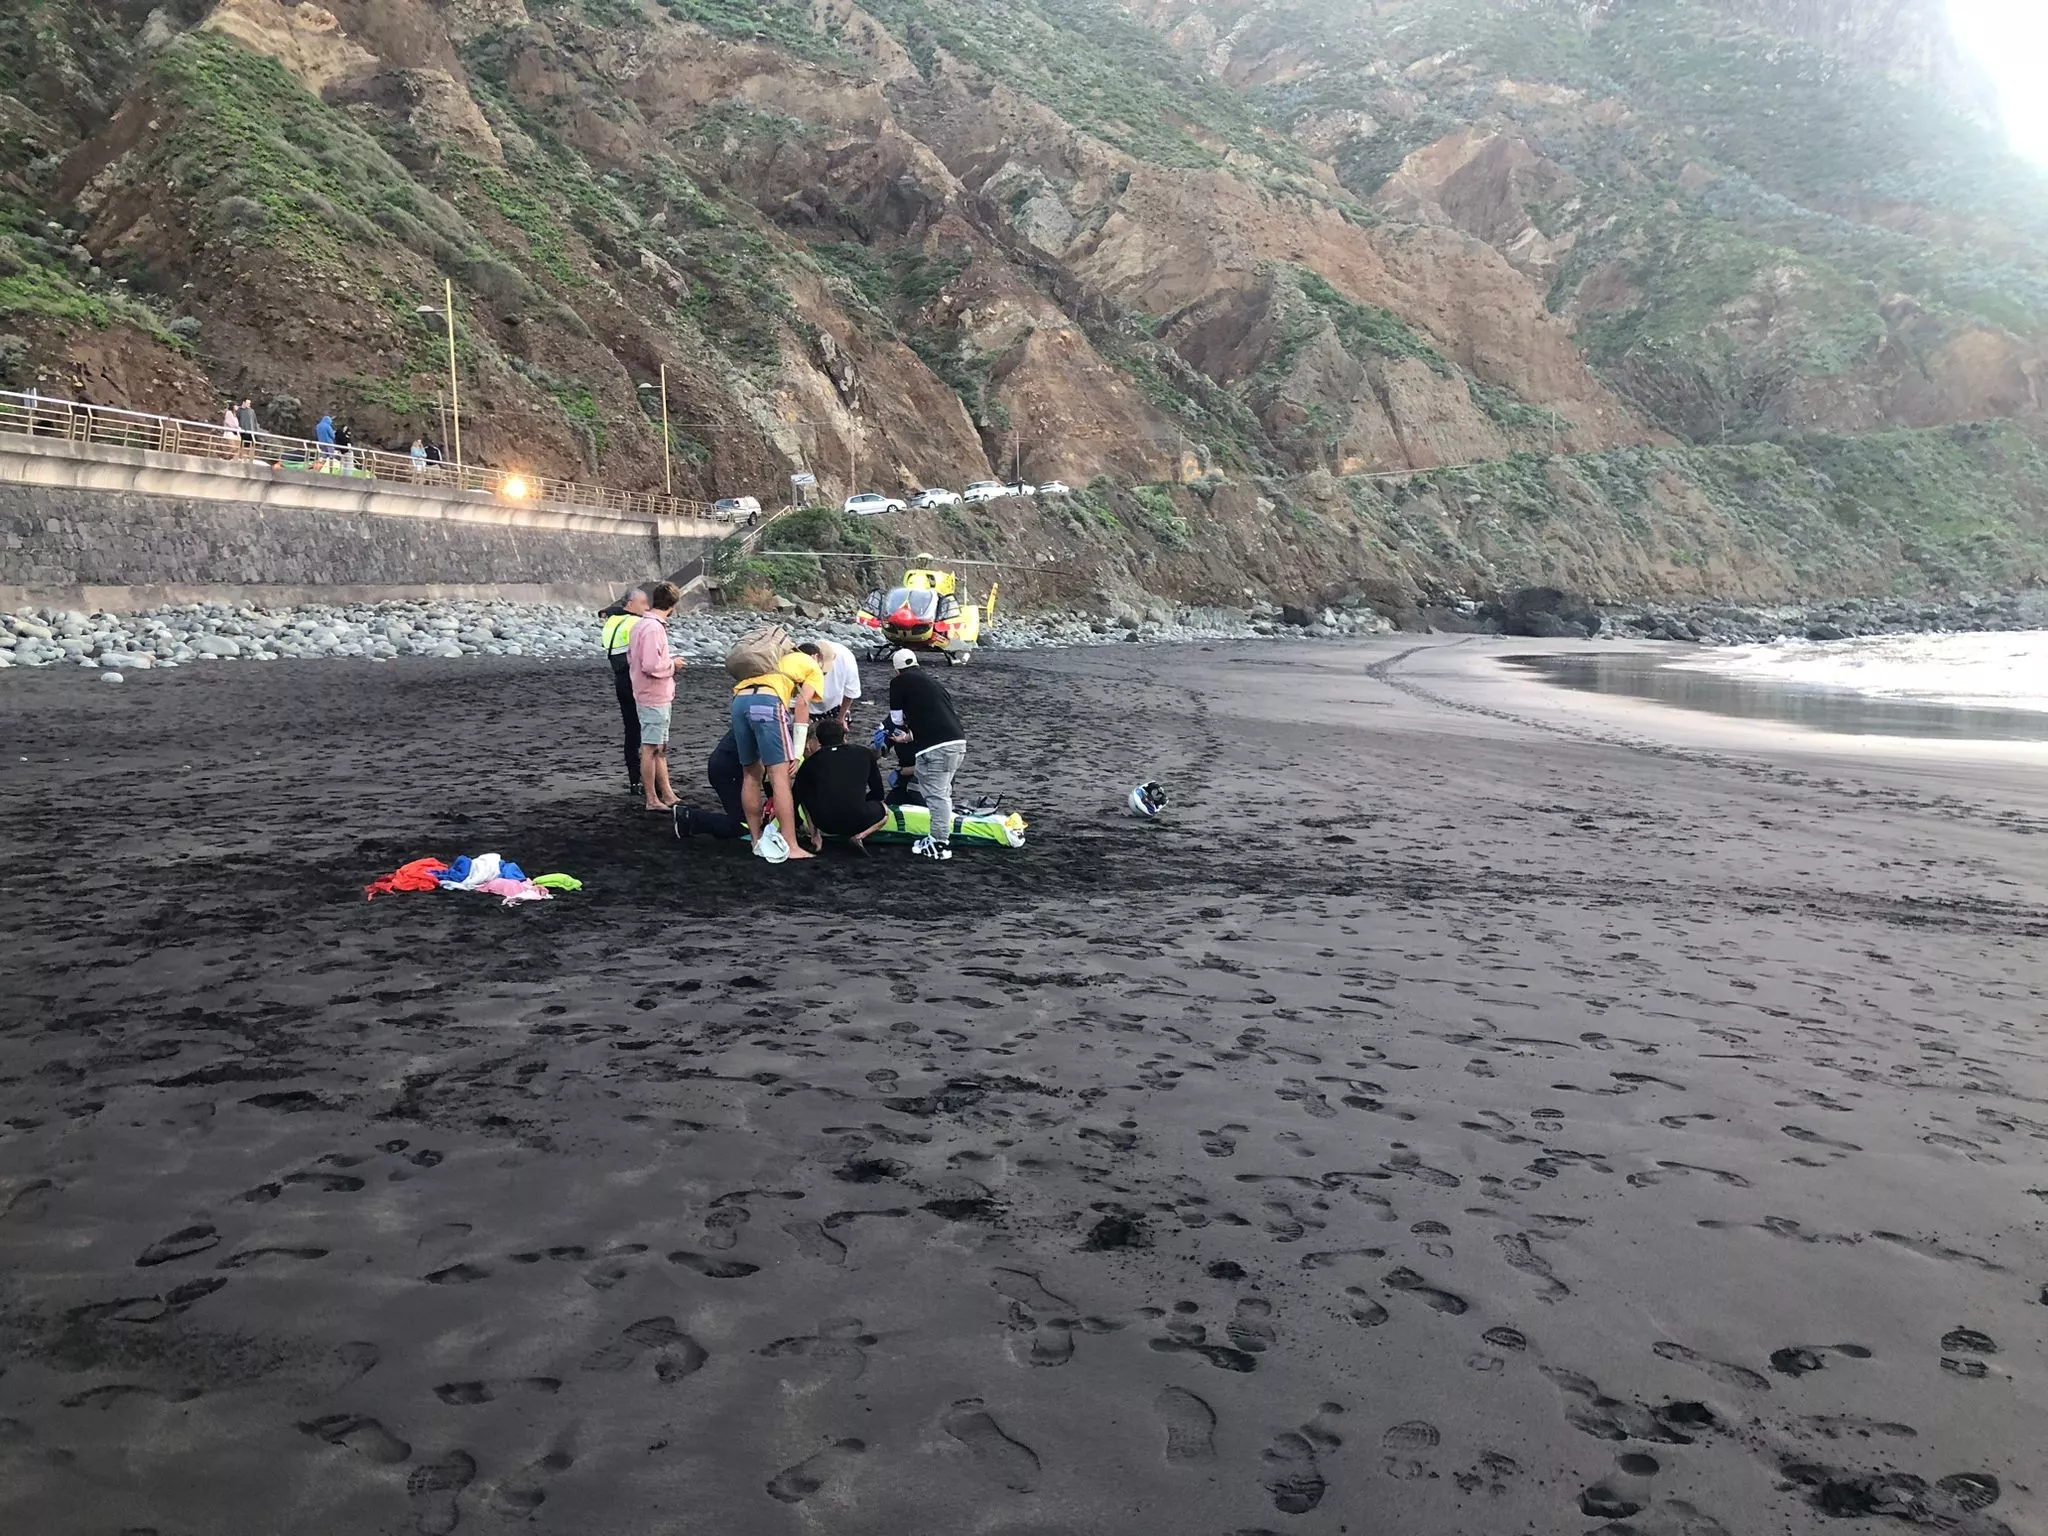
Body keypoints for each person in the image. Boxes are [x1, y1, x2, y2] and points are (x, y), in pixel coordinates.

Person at [730, 644, 827, 863]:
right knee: (780, 777)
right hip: (767, 703)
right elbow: (802, 704)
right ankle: (791, 845)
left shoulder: (773, 660)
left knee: (750, 774)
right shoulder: (812, 666)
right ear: (816, 657)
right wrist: (798, 752)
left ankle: (756, 841)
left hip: (739, 701)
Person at [887, 648, 966, 861]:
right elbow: (933, 720)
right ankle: (939, 834)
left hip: (937, 748)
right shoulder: (933, 684)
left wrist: (899, 730)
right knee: (940, 790)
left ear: (897, 670)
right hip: (957, 742)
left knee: (936, 795)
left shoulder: (899, 682)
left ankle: (940, 842)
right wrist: (908, 738)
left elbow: (896, 719)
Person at [627, 582, 685, 811]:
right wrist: (673, 665)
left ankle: (667, 794)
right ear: (673, 606)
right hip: (653, 695)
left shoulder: (641, 625)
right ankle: (652, 798)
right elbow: (650, 665)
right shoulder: (653, 628)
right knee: (651, 748)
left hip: (649, 693)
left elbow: (632, 658)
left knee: (659, 747)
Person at [792, 718, 888, 853]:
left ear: (818, 740)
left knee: (806, 793)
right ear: (844, 736)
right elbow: (878, 793)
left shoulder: (810, 762)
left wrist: (799, 824)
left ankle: (815, 838)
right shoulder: (865, 753)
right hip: (857, 819)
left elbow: (795, 799)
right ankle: (859, 836)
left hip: (824, 823)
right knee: (884, 810)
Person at [599, 586, 650, 795]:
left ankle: (634, 781)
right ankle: (651, 780)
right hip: (636, 680)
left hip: (620, 679)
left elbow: (612, 612)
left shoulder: (611, 621)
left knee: (631, 732)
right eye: (643, 603)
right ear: (630, 604)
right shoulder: (635, 623)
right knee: (649, 732)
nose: (647, 608)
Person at [674, 729, 745, 840]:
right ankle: (689, 818)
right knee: (745, 824)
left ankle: (691, 817)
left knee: (753, 818)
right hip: (726, 772)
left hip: (729, 767)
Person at [799, 639, 862, 729]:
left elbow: (850, 693)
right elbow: (794, 699)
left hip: (835, 705)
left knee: (837, 732)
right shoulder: (801, 659)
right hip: (807, 705)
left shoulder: (846, 659)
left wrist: (840, 719)